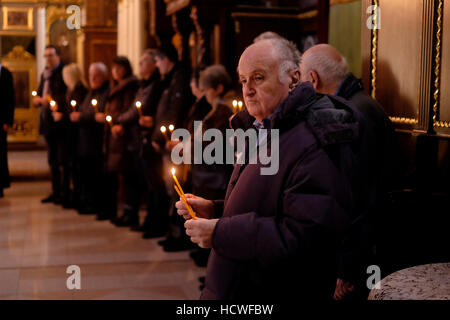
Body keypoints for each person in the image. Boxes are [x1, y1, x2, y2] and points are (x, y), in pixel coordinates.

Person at [176, 38, 360, 300]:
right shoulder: (264, 127)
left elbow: (303, 237)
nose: (247, 90)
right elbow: (268, 202)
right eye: (242, 80)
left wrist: (220, 232)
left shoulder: (314, 140)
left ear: (294, 78)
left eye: (258, 78)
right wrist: (217, 209)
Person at [299, 44, 394, 300]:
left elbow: (359, 194)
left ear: (312, 79)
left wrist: (347, 267)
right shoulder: (359, 103)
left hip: (361, 251)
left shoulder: (349, 114)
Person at [112, 49, 168, 231]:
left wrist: (118, 120)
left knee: (153, 182)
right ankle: (150, 220)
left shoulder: (156, 84)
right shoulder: (144, 84)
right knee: (146, 181)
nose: (140, 64)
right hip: (140, 137)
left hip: (148, 138)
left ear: (154, 63)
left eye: (144, 61)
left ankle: (156, 222)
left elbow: (141, 109)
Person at [152, 43, 195, 251]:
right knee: (172, 189)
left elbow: (174, 110)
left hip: (175, 143)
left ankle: (180, 235)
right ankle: (174, 232)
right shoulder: (172, 78)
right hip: (171, 141)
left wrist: (167, 138)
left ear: (166, 59)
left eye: (158, 60)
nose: (157, 65)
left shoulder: (179, 78)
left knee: (176, 189)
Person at [95, 57, 139, 221]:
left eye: (119, 68)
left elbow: (129, 109)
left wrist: (116, 121)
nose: (115, 72)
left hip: (125, 138)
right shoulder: (117, 87)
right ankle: (124, 211)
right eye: (114, 68)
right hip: (115, 137)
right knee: (120, 175)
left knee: (129, 176)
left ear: (126, 69)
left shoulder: (129, 87)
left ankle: (130, 211)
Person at [70, 62, 110, 214]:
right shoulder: (91, 92)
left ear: (104, 76)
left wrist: (82, 116)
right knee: (86, 173)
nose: (92, 77)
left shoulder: (106, 92)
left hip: (96, 141)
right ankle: (87, 201)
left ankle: (95, 204)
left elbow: (98, 115)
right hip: (85, 141)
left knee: (96, 175)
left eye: (96, 75)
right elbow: (85, 110)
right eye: (90, 74)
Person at [33, 45, 68, 205]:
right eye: (45, 55)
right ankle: (55, 191)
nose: (48, 58)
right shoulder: (45, 74)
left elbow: (64, 96)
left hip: (60, 122)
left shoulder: (63, 72)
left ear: (58, 56)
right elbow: (42, 92)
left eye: (51, 55)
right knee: (52, 159)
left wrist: (47, 100)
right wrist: (38, 100)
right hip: (47, 120)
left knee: (63, 159)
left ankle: (64, 191)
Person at [62, 63, 88, 209]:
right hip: (71, 132)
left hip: (77, 134)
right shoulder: (71, 89)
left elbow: (77, 112)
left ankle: (78, 196)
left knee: (78, 167)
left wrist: (65, 115)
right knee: (73, 166)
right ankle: (75, 194)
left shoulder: (80, 90)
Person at [0, 63, 15, 198]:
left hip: (1, 121)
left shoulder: (5, 73)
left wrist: (7, 121)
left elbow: (10, 99)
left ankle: (1, 186)